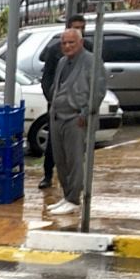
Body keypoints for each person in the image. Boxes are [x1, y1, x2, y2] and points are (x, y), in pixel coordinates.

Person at [46, 27, 107, 216]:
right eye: (64, 42)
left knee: (74, 160)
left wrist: (86, 112)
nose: (67, 46)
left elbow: (98, 90)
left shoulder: (91, 61)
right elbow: (56, 86)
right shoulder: (63, 62)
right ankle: (67, 196)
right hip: (58, 116)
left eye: (71, 42)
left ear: (80, 42)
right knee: (61, 160)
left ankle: (74, 198)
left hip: (76, 118)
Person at [38, 14, 88, 190]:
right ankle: (48, 175)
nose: (79, 30)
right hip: (58, 106)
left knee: (76, 146)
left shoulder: (88, 51)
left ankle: (74, 184)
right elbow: (48, 78)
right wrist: (53, 99)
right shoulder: (55, 51)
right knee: (54, 143)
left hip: (77, 108)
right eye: (76, 27)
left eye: (82, 27)